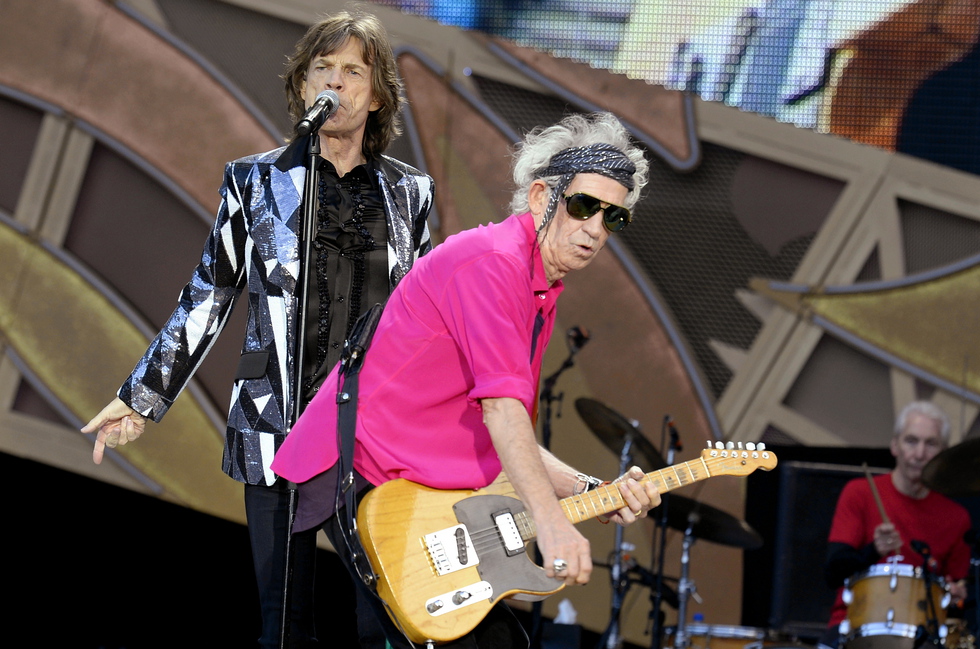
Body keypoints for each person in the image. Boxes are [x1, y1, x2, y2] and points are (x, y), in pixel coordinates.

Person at [80, 11, 434, 648]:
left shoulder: (411, 193)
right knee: (284, 627)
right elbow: (209, 292)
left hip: (376, 439)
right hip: (279, 433)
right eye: (323, 69)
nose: (337, 82)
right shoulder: (256, 181)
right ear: (303, 86)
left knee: (385, 621)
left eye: (354, 71)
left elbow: (426, 321)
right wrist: (141, 398)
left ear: (377, 92)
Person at [270, 112, 662, 648]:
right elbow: (503, 412)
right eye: (584, 206)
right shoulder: (494, 264)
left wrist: (590, 490)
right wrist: (551, 525)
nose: (595, 228)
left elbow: (498, 424)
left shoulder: (538, 286)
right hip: (364, 470)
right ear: (542, 197)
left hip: (419, 483)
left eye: (613, 217)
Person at [819, 401, 972, 649]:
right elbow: (833, 573)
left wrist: (957, 596)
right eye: (911, 441)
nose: (920, 453)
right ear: (894, 445)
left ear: (943, 453)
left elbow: (957, 597)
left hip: (923, 636)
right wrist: (874, 550)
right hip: (853, 626)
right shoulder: (860, 493)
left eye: (930, 444)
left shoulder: (956, 517)